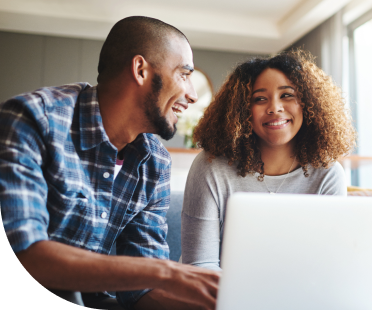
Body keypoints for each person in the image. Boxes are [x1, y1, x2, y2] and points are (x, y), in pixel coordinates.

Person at [0, 16, 220, 310]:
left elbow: (142, 291)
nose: (192, 95)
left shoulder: (154, 162)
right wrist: (170, 273)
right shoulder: (33, 120)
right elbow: (24, 254)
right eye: (184, 74)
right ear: (140, 70)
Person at [181, 50, 357, 271]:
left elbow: (328, 263)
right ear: (242, 111)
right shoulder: (211, 167)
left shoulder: (328, 174)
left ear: (308, 103)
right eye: (260, 99)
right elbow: (200, 264)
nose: (274, 108)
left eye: (287, 95)